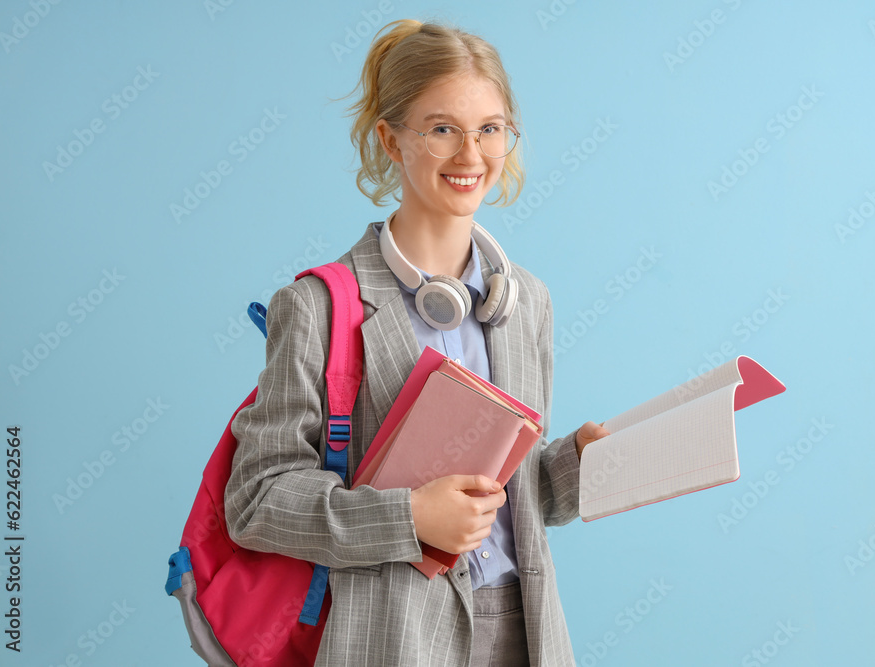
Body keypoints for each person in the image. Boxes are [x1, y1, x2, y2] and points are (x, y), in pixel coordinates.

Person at [225, 18, 608, 666]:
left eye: (490, 128)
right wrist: (408, 518)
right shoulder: (319, 308)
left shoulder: (527, 302)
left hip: (528, 633)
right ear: (390, 139)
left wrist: (577, 466)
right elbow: (257, 500)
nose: (471, 154)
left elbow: (512, 493)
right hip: (392, 642)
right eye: (442, 129)